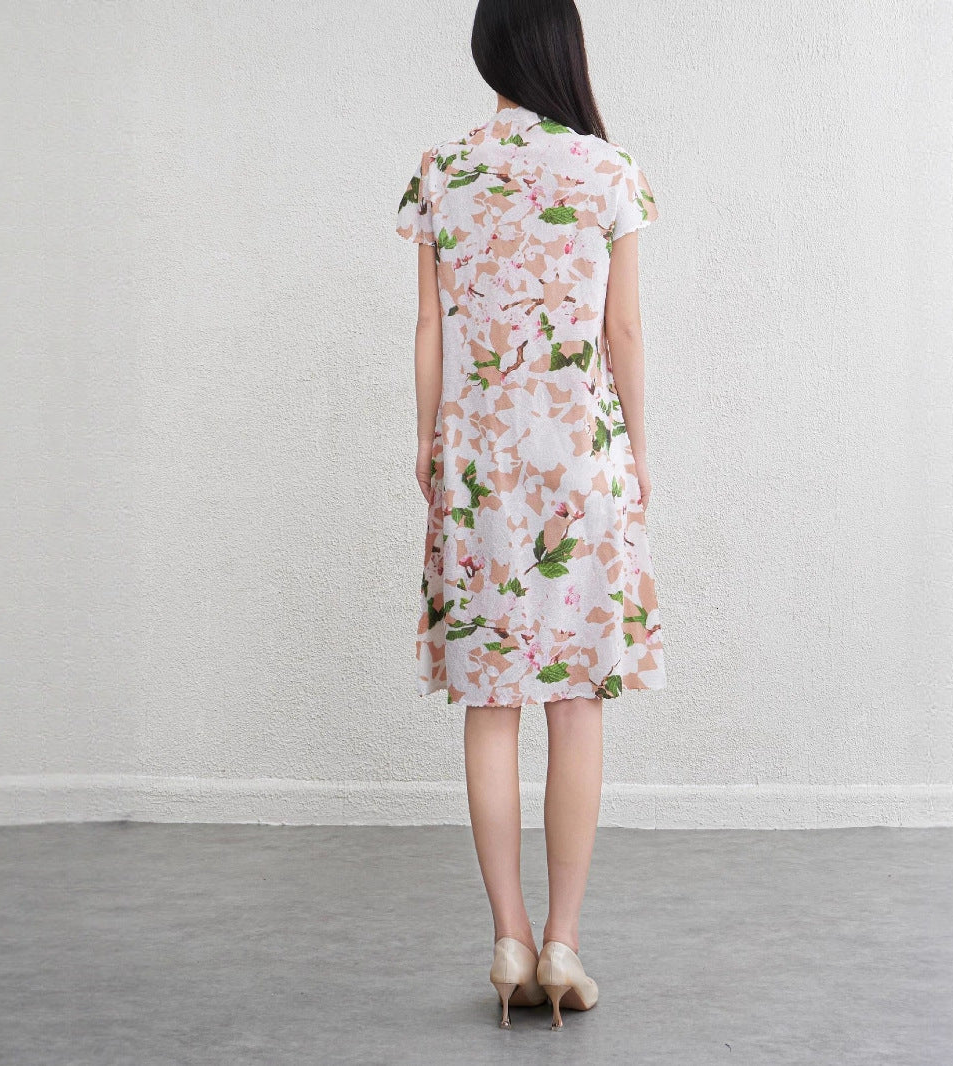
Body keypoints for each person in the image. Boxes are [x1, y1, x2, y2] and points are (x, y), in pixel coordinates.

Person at [395, 0, 667, 1031]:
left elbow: (429, 325)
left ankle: (507, 935)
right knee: (577, 698)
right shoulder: (608, 170)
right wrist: (639, 452)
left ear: (488, 50)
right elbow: (623, 330)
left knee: (490, 700)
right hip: (581, 458)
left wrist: (427, 442)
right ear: (563, 48)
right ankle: (563, 941)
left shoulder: (443, 170)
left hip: (481, 459)